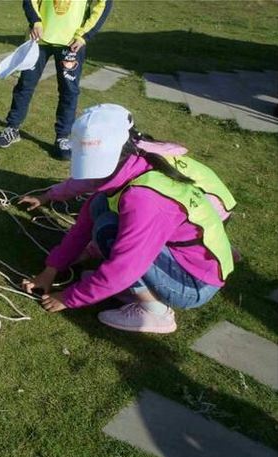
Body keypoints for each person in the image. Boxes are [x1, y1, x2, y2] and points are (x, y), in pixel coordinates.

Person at [22, 104, 236, 334]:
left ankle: (156, 313)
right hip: (187, 258)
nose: (91, 178)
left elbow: (124, 267)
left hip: (192, 283)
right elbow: (83, 226)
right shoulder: (134, 165)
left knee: (108, 233)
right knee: (99, 208)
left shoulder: (144, 199)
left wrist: (68, 297)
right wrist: (51, 270)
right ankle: (127, 289)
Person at [0, 0, 112, 160]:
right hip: (39, 38)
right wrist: (35, 21)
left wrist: (83, 36)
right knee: (25, 84)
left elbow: (103, 5)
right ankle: (12, 128)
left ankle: (62, 137)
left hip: (71, 43)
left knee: (69, 91)